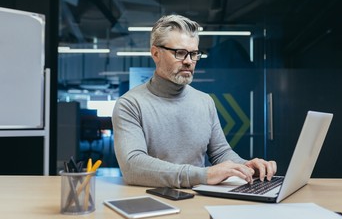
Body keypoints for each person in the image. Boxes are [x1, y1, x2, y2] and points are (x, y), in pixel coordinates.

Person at [112, 14, 277, 188]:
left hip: (198, 200)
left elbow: (220, 153)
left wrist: (245, 166)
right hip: (152, 204)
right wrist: (204, 175)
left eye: (194, 54)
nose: (189, 62)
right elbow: (133, 166)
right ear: (156, 53)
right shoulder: (129, 105)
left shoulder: (205, 102)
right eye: (180, 53)